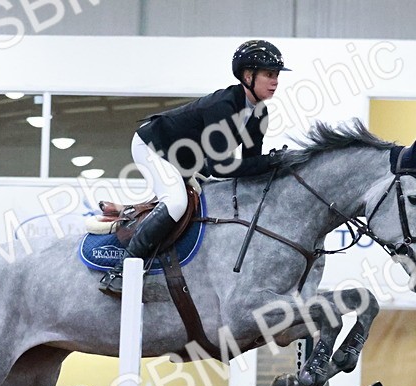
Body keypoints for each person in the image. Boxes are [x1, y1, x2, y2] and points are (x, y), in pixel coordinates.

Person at [99, 40, 289, 295]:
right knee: (176, 202)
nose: (275, 81)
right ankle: (122, 269)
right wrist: (268, 161)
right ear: (247, 76)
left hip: (186, 159)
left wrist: (276, 166)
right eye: (269, 74)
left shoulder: (259, 115)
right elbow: (220, 166)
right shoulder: (223, 106)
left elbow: (250, 166)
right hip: (152, 146)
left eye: (276, 75)